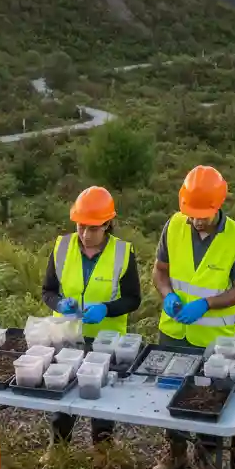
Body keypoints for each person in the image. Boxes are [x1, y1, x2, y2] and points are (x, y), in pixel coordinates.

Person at [151, 165, 235, 469]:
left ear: (219, 205)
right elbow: (160, 270)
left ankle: (206, 461)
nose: (196, 220)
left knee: (209, 400)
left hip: (214, 338)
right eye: (191, 214)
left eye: (203, 214)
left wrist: (206, 304)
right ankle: (175, 452)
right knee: (171, 395)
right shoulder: (174, 226)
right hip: (173, 332)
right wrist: (167, 294)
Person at [41, 186, 141, 451]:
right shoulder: (62, 247)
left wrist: (106, 309)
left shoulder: (123, 252)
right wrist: (60, 303)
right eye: (81, 227)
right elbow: (47, 291)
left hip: (105, 342)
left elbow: (133, 298)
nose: (85, 235)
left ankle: (103, 452)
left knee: (102, 399)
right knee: (62, 396)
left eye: (93, 228)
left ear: (108, 224)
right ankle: (58, 450)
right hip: (67, 336)